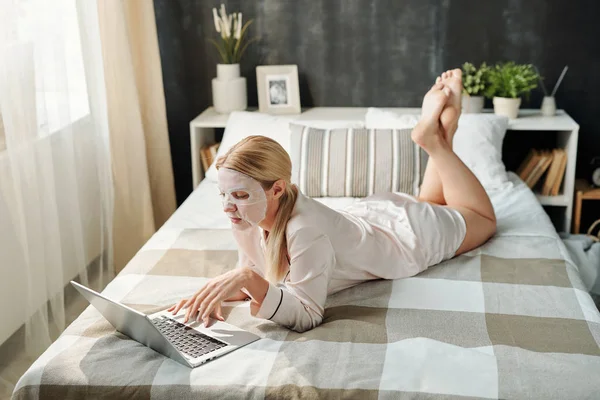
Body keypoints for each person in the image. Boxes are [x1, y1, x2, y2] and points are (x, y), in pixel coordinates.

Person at [169, 69, 496, 332]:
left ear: (278, 189)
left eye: (239, 195)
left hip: (409, 235)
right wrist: (217, 290)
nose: (227, 207)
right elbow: (263, 272)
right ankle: (441, 131)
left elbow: (308, 313)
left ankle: (436, 142)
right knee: (429, 200)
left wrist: (247, 279)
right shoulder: (245, 217)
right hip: (377, 214)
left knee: (481, 219)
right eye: (223, 194)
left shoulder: (305, 231)